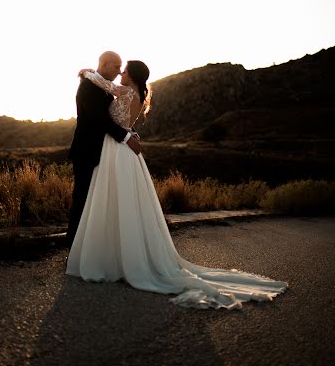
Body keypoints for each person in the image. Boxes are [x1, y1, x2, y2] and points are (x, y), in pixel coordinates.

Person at [66, 59, 288, 310]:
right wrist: (127, 131)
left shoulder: (127, 91)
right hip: (118, 150)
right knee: (121, 199)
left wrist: (87, 73)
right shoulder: (138, 93)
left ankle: (113, 253)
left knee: (115, 198)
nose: (120, 73)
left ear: (134, 76)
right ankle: (118, 251)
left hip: (118, 150)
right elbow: (119, 115)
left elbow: (104, 89)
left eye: (124, 70)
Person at [66, 51, 141, 249]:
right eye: (116, 67)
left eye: (121, 68)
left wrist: (130, 132)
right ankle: (74, 248)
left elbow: (118, 117)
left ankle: (96, 248)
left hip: (106, 152)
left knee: (100, 202)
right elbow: (100, 119)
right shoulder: (88, 86)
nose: (119, 72)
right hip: (87, 151)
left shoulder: (104, 86)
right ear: (105, 64)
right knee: (82, 199)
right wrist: (125, 137)